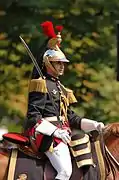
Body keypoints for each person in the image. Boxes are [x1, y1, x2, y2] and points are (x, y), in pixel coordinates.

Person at [24, 21, 104, 180]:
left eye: (63, 63)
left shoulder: (60, 88)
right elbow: (33, 117)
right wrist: (55, 131)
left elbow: (71, 118)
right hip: (46, 135)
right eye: (58, 63)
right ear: (48, 63)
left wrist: (94, 124)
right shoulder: (40, 84)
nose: (62, 67)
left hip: (63, 133)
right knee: (65, 172)